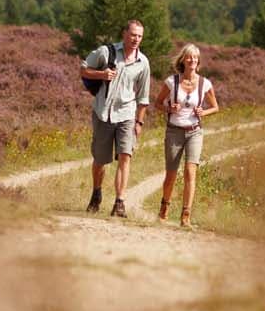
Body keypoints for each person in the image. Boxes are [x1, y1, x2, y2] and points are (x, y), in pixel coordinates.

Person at [80, 19, 152, 217]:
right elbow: (83, 69)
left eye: (139, 36)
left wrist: (139, 121)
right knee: (100, 160)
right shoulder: (106, 52)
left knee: (125, 156)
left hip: (127, 114)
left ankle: (120, 202)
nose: (136, 39)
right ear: (124, 34)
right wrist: (102, 75)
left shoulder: (143, 62)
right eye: (133, 35)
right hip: (103, 112)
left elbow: (143, 96)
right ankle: (96, 192)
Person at [153, 43, 220, 228]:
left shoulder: (205, 84)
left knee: (191, 172)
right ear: (183, 60)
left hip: (194, 132)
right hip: (174, 131)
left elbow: (216, 107)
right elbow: (157, 103)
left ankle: (185, 216)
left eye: (195, 57)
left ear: (198, 61)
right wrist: (168, 107)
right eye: (189, 57)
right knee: (171, 175)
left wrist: (203, 112)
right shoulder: (171, 82)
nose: (192, 60)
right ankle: (164, 208)